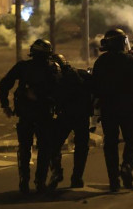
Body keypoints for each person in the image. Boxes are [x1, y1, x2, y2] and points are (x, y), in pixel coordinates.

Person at [0, 38, 61, 195]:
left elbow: (4, 83)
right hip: (44, 115)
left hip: (26, 115)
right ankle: (40, 182)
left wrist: (5, 105)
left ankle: (24, 181)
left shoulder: (23, 67)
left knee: (25, 148)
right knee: (44, 149)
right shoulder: (53, 68)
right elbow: (60, 91)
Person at [91, 28, 133, 192]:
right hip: (130, 108)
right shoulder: (130, 60)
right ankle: (127, 165)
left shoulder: (101, 62)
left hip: (109, 109)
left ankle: (113, 180)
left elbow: (95, 86)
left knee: (111, 145)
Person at [48, 53, 94, 190]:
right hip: (83, 116)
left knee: (54, 144)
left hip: (65, 115)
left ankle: (56, 170)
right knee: (81, 147)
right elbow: (96, 89)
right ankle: (77, 177)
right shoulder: (80, 74)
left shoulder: (56, 79)